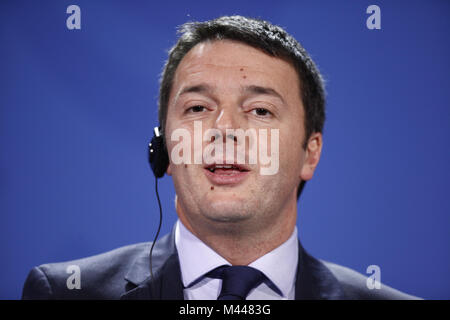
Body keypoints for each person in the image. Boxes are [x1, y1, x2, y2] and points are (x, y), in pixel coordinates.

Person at [22, 15, 419, 300]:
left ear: (309, 153)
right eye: (197, 108)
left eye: (261, 110)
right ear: (165, 150)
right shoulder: (64, 293)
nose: (224, 127)